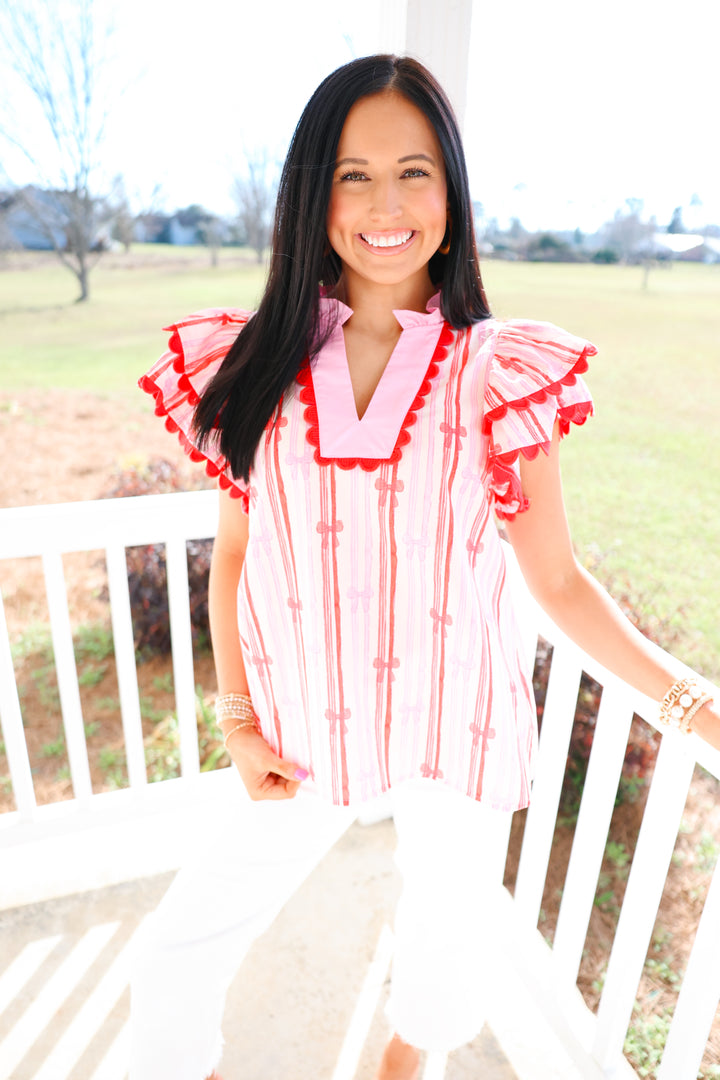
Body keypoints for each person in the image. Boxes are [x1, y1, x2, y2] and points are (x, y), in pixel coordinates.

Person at [132, 54, 719, 1080]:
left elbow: (560, 583)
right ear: (313, 195)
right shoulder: (256, 367)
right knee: (173, 964)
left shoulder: (495, 372)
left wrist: (697, 707)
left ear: (451, 192)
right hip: (302, 731)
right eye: (352, 175)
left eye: (414, 172)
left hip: (458, 728)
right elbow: (233, 559)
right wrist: (236, 720)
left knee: (445, 966)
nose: (384, 204)